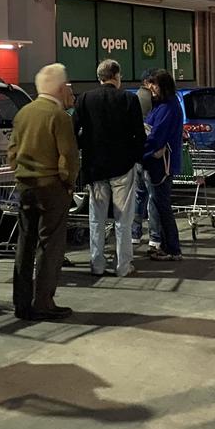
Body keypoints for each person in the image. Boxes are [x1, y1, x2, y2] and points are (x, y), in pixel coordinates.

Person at [8, 63, 80, 320]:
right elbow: (68, 156)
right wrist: (68, 183)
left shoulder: (23, 113)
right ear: (61, 88)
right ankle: (43, 301)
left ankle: (21, 301)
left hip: (25, 186)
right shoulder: (59, 116)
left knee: (24, 244)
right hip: (51, 187)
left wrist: (20, 172)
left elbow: (12, 152)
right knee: (50, 245)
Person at [74, 59, 145, 278]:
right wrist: (133, 157)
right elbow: (139, 136)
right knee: (123, 220)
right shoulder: (128, 99)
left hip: (95, 168)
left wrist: (85, 151)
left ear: (100, 77)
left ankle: (96, 264)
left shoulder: (85, 98)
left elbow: (74, 129)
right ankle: (123, 266)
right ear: (116, 76)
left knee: (97, 218)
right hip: (122, 167)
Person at [142, 69, 184, 261]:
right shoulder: (165, 105)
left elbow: (155, 136)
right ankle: (167, 246)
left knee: (162, 205)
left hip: (161, 165)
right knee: (160, 204)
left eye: (154, 84)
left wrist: (140, 150)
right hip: (159, 163)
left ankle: (172, 248)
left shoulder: (167, 107)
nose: (151, 87)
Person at [131, 70, 162, 248]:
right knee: (153, 197)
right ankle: (155, 237)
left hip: (138, 155)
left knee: (139, 195)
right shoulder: (153, 100)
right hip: (151, 154)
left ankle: (135, 233)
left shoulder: (136, 97)